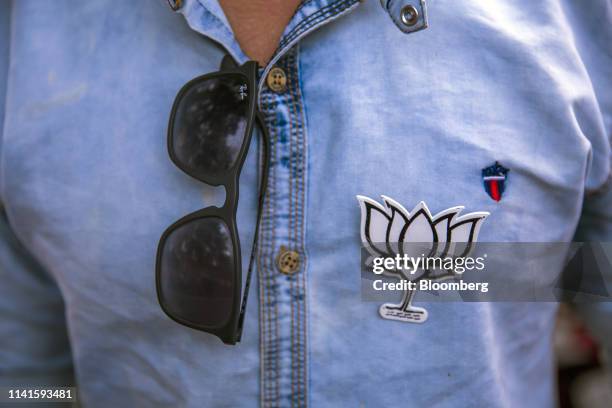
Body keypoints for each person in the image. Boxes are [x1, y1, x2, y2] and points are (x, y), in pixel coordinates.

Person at [0, 0, 610, 406]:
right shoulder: (28, 29)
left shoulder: (572, 22)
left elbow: (589, 279)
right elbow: (27, 386)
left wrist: (455, 272)